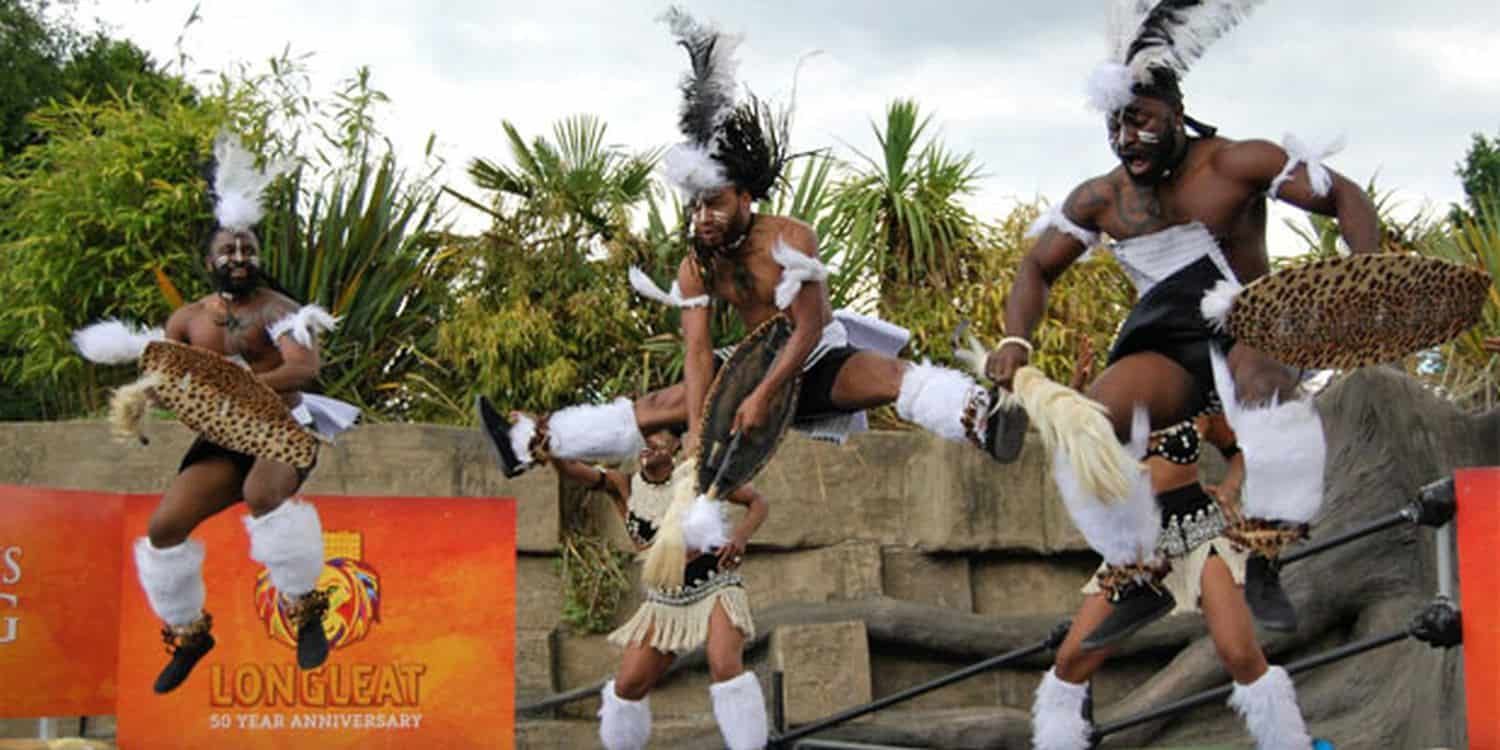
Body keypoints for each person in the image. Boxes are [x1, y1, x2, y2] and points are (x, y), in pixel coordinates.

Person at [986, 0, 1381, 662]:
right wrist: (1015, 340)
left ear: (1174, 111)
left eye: (1139, 121)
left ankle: (1264, 555)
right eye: (1114, 125)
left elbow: (1345, 196)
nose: (1125, 139)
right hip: (1167, 337)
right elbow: (1036, 266)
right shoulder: (1102, 199)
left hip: (1248, 319)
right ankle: (1139, 568)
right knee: (1088, 422)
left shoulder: (1235, 163)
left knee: (1258, 384)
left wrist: (1363, 279)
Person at [477, 7, 1022, 484]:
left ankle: (980, 417)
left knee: (887, 376)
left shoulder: (788, 238)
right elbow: (696, 351)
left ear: (745, 195)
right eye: (695, 205)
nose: (703, 216)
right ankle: (529, 441)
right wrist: (696, 431)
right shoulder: (699, 265)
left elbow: (808, 327)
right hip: (751, 359)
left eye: (714, 202)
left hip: (817, 354)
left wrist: (763, 395)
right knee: (662, 404)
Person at [73, 133, 356, 694]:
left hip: (281, 426)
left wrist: (242, 384)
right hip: (223, 436)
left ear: (259, 258)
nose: (239, 258)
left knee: (263, 495)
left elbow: (302, 371)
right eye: (229, 250)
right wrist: (143, 397)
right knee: (164, 527)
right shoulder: (188, 321)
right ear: (210, 260)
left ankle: (305, 609)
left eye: (248, 250)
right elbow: (170, 375)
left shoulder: (280, 310)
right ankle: (188, 634)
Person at [1031, 412, 1321, 750]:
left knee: (1240, 653)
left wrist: (1230, 486)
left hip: (1202, 534)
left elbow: (1239, 451)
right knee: (1071, 660)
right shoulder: (1110, 402)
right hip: (1139, 549)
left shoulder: (1196, 404)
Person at [542, 426, 769, 750]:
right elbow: (573, 469)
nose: (648, 442)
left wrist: (740, 537)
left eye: (658, 434)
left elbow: (757, 502)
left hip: (715, 587)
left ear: (676, 444)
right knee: (628, 686)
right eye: (643, 435)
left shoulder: (698, 478)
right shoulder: (623, 485)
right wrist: (549, 446)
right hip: (665, 602)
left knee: (724, 665)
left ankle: (750, 746)